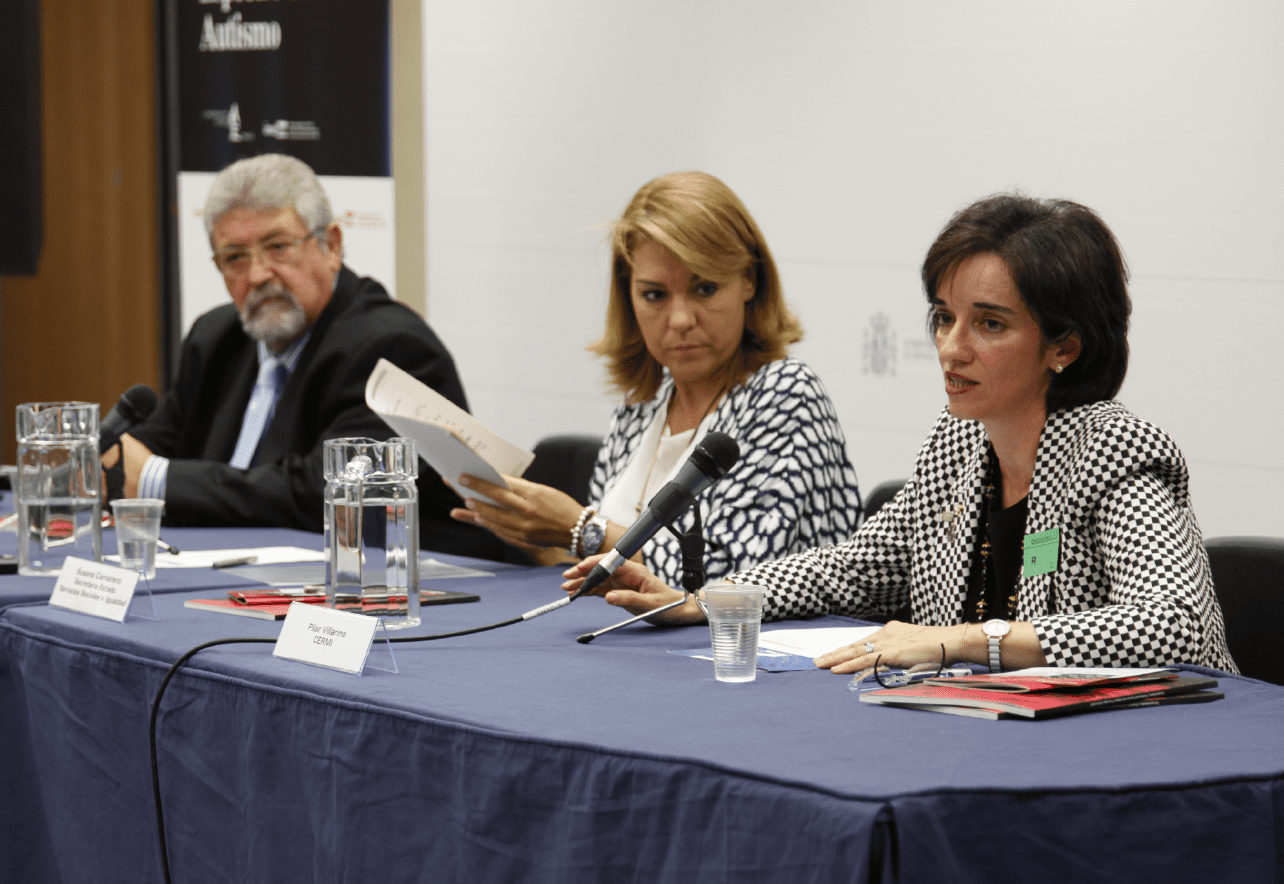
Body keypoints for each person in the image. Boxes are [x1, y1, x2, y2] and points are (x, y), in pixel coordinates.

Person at [564, 193, 1238, 675]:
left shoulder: (1115, 452)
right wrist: (706, 602)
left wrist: (963, 640)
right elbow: (849, 569)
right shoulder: (955, 449)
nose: (951, 348)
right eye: (944, 318)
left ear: (1063, 345)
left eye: (990, 324)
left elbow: (1177, 625)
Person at [451, 171, 862, 585]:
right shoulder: (641, 405)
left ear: (749, 281)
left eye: (705, 289)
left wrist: (579, 529)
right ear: (628, 298)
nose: (681, 319)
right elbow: (604, 572)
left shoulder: (786, 393)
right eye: (654, 295)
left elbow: (731, 581)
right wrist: (528, 530)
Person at [103, 153, 502, 560]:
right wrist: (100, 464)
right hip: (228, 573)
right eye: (235, 257)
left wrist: (160, 481)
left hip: (394, 585)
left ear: (332, 245)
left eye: (278, 247)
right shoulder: (216, 338)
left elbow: (330, 496)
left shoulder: (392, 347)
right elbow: (143, 451)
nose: (257, 275)